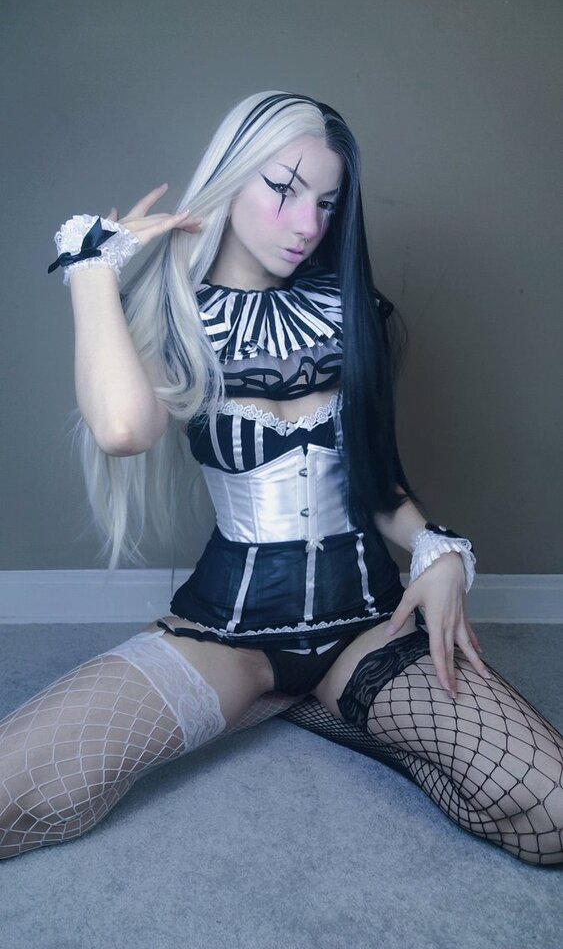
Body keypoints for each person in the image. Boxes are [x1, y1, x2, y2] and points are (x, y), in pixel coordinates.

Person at [1, 91, 562, 865]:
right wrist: (90, 266)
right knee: (20, 792)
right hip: (226, 636)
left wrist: (438, 550)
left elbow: (377, 483)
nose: (306, 224)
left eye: (326, 203)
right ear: (230, 181)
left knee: (548, 814)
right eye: (283, 190)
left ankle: (324, 703)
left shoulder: (354, 310)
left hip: (368, 628)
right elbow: (122, 431)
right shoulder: (176, 317)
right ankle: (279, 697)